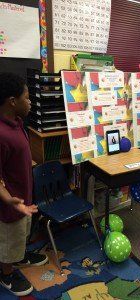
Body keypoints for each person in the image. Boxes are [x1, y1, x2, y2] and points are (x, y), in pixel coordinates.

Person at [0, 73, 48, 297]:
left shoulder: (17, 123)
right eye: (27, 98)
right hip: (11, 205)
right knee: (10, 242)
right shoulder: (1, 134)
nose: (30, 102)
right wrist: (8, 198)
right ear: (12, 101)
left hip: (25, 197)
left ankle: (22, 257)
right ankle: (6, 275)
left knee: (23, 235)